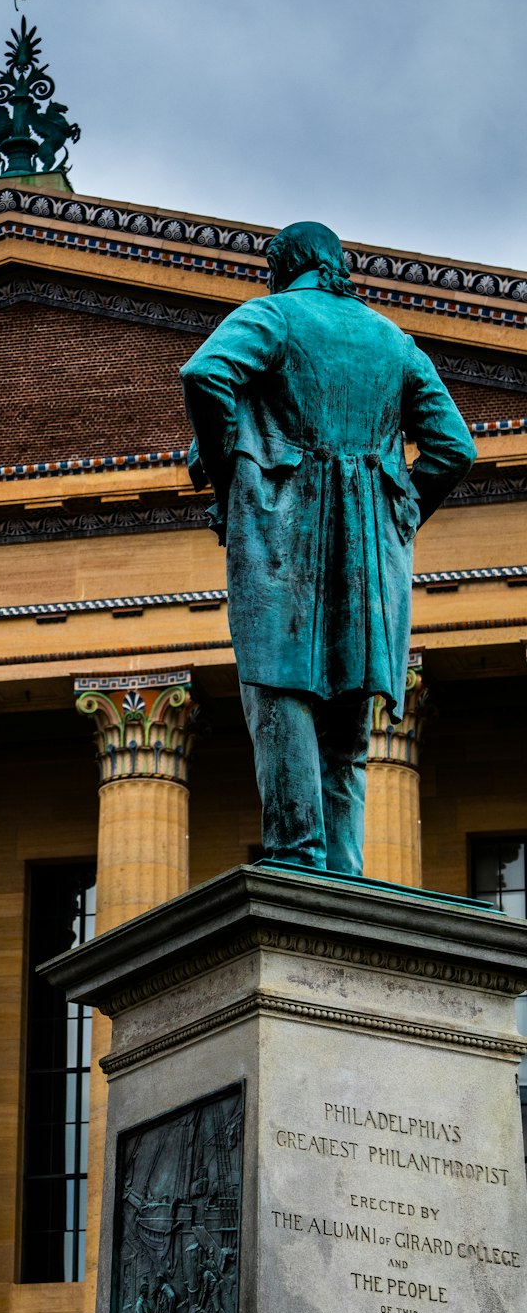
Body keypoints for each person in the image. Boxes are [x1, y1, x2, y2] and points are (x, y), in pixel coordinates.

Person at [180, 221, 475, 874]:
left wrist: (231, 474)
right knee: (346, 727)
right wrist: (398, 512)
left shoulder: (276, 317)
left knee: (279, 688)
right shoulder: (392, 342)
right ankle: (342, 874)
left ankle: (297, 859)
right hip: (369, 549)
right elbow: (455, 447)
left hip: (284, 533)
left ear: (284, 267)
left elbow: (205, 374)